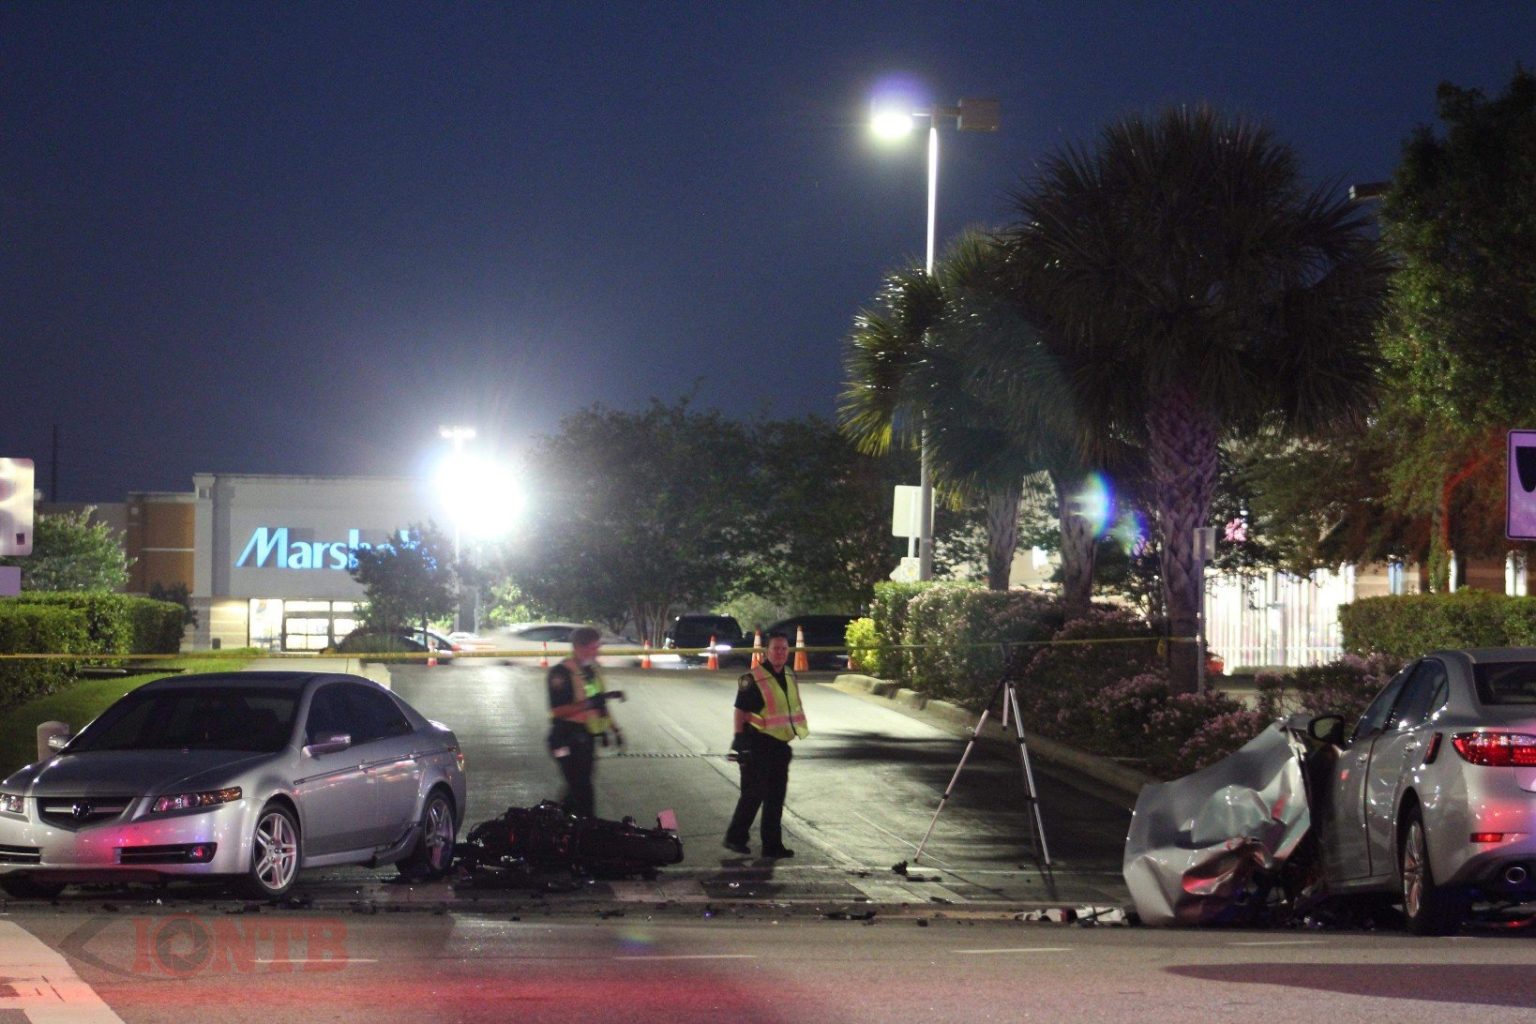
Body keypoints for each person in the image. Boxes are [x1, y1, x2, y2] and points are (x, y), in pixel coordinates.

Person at [723, 630, 807, 858]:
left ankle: (772, 845)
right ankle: (735, 838)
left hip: (780, 746)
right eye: (775, 649)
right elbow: (740, 710)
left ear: (788, 651)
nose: (780, 653)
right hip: (756, 743)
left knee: (775, 798)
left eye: (783, 649)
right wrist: (740, 741)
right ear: (766, 652)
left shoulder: (790, 675)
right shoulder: (752, 678)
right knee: (753, 794)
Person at [547, 625, 623, 818]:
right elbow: (558, 710)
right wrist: (589, 703)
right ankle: (586, 830)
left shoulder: (591, 670)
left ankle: (555, 822)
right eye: (593, 647)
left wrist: (614, 730)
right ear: (579, 647)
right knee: (582, 790)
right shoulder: (561, 673)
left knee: (577, 788)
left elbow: (600, 705)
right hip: (564, 739)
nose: (597, 651)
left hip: (584, 739)